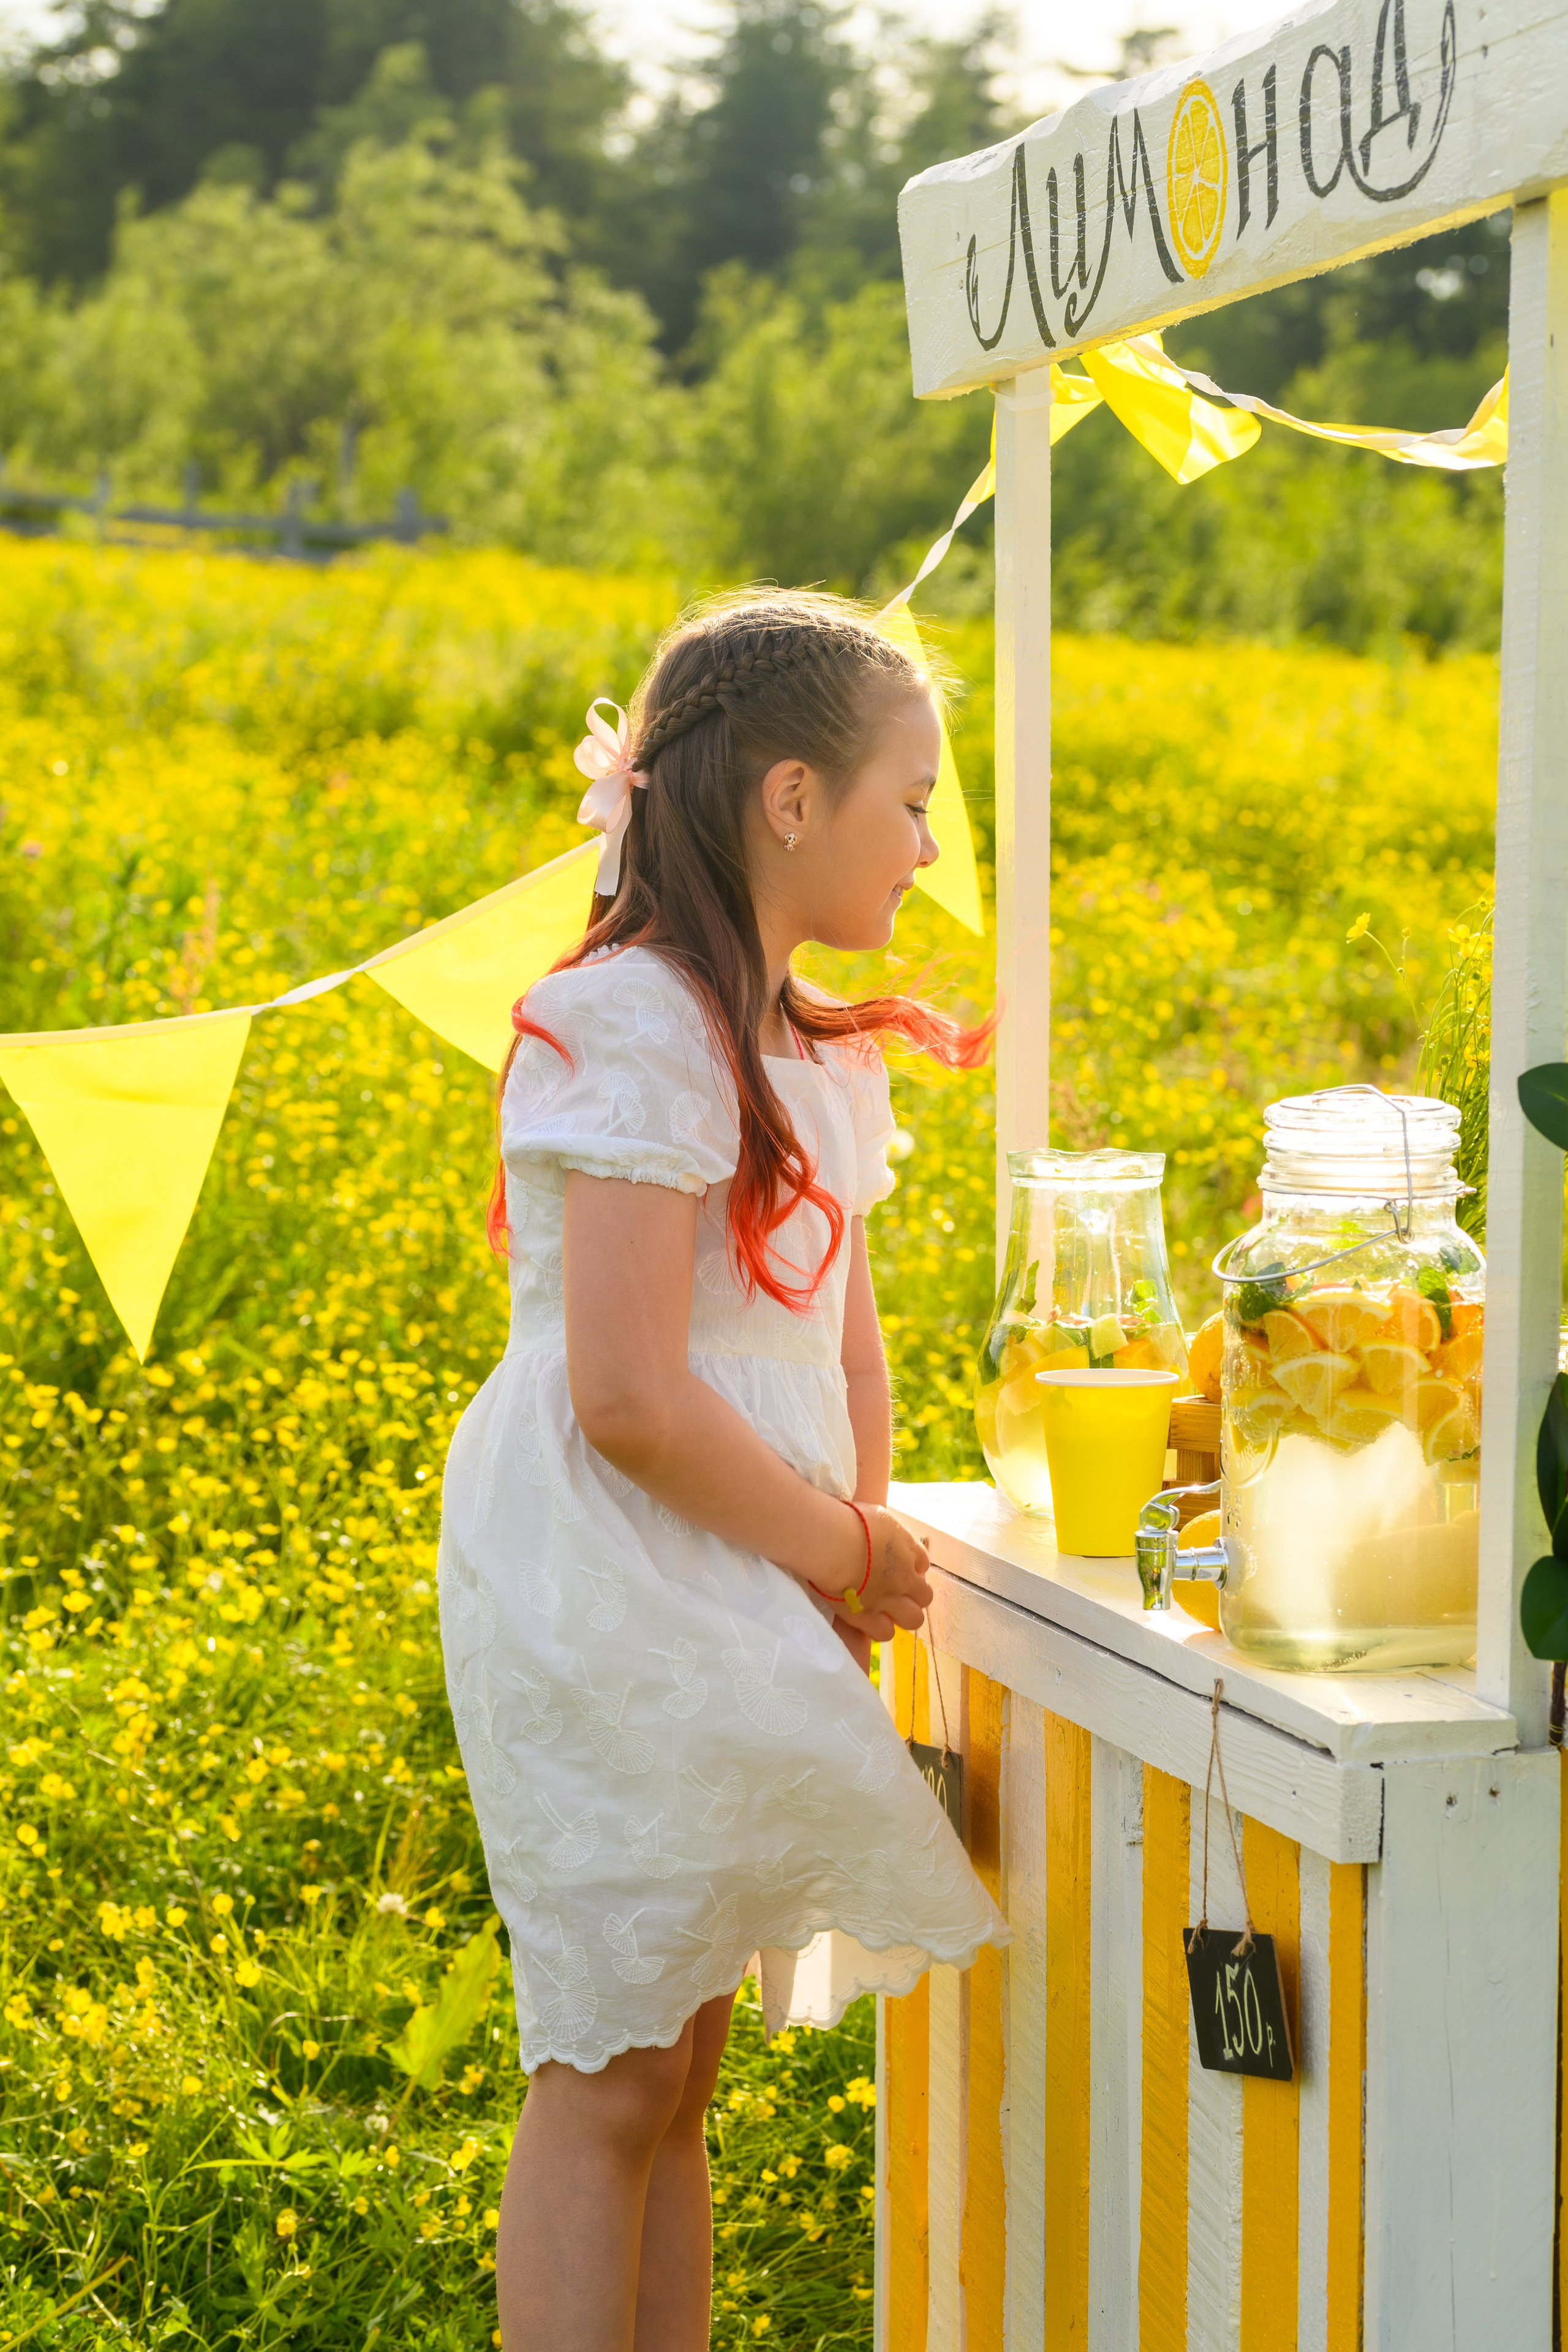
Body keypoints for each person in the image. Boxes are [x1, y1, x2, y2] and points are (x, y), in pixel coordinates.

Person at [438, 589, 1010, 2350]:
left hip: (751, 1565)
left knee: (681, 2076)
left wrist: (850, 1561)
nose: (925, 844)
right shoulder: (638, 1022)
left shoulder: (806, 1053)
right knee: (609, 2068)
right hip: (614, 1566)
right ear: (787, 800)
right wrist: (838, 1544)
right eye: (908, 801)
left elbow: (841, 1338)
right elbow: (626, 1394)